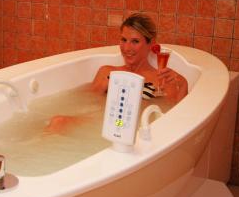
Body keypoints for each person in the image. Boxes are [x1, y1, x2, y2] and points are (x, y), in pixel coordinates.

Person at [45, 13, 187, 134]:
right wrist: (100, 88)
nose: (126, 48)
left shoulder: (163, 80)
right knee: (58, 121)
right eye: (123, 40)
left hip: (134, 130)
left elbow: (173, 119)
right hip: (99, 124)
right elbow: (84, 102)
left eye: (135, 41)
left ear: (151, 44)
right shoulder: (107, 72)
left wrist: (180, 85)